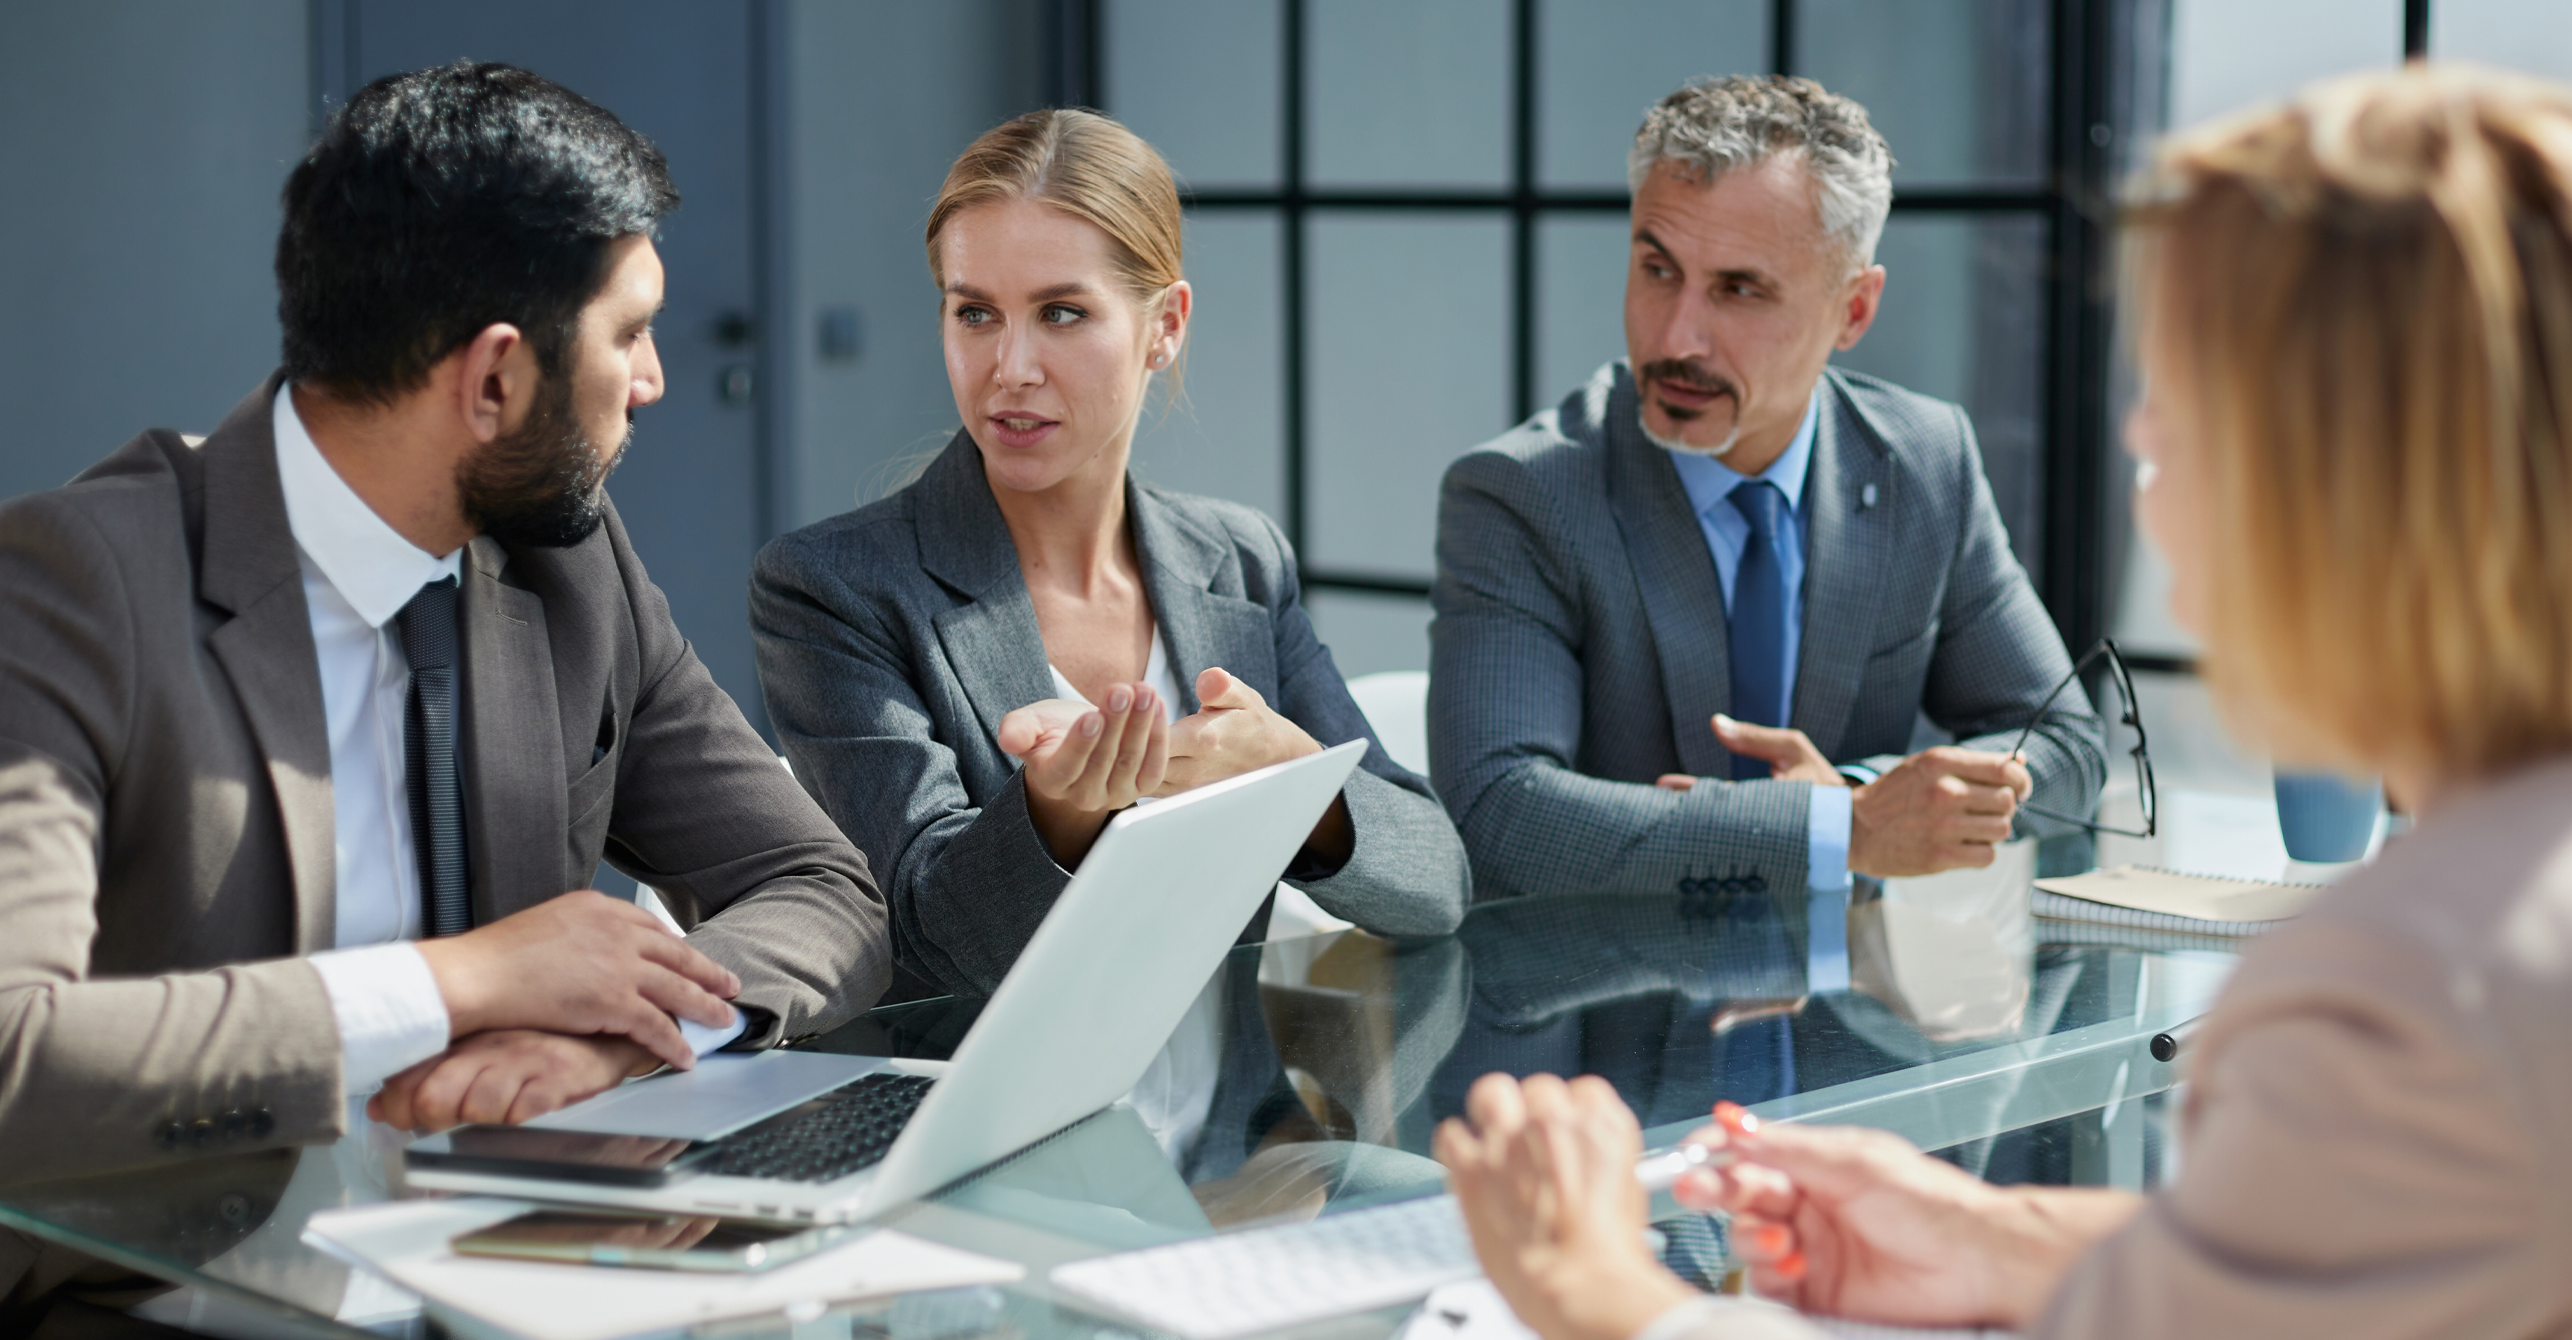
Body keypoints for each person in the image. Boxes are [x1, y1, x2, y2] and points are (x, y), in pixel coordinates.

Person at [1438, 63, 2572, 1339]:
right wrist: (1997, 1237)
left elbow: (2062, 734)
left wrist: (1608, 1297)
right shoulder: (2498, 916)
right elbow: (2322, 1263)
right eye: (1657, 269)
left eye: (2192, 394)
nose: (2138, 434)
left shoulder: (2397, 988)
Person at [0, 61, 893, 1195]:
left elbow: (821, 886)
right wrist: (457, 981)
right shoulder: (71, 586)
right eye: (630, 335)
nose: (657, 379)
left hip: (517, 1253)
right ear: (494, 381)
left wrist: (604, 1035)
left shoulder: (572, 559)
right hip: (175, 1287)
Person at [752, 108, 1468, 1001]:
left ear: (1164, 325)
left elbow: (1437, 879)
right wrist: (1054, 816)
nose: (1011, 366)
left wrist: (1292, 780)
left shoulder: (1239, 560)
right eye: (975, 313)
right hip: (988, 1127)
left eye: (1061, 313)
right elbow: (919, 945)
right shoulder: (835, 589)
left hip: (1224, 1125)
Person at [1429, 75, 2104, 904]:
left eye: (1739, 290)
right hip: (1605, 1010)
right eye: (1657, 270)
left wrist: (1869, 791)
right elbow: (1498, 816)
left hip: (1846, 1004)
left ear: (1853, 310)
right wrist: (1840, 831)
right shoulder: (1523, 495)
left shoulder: (1925, 465)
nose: (1676, 337)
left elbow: (2067, 747)